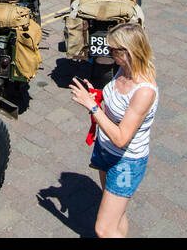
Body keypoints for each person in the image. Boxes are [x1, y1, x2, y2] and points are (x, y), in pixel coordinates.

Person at [68, 22, 158, 238]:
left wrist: (91, 107)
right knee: (116, 217)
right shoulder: (123, 69)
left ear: (128, 52)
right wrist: (95, 95)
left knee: (103, 229)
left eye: (112, 50)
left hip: (126, 163)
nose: (108, 53)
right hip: (105, 151)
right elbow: (114, 105)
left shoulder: (144, 91)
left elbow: (121, 138)